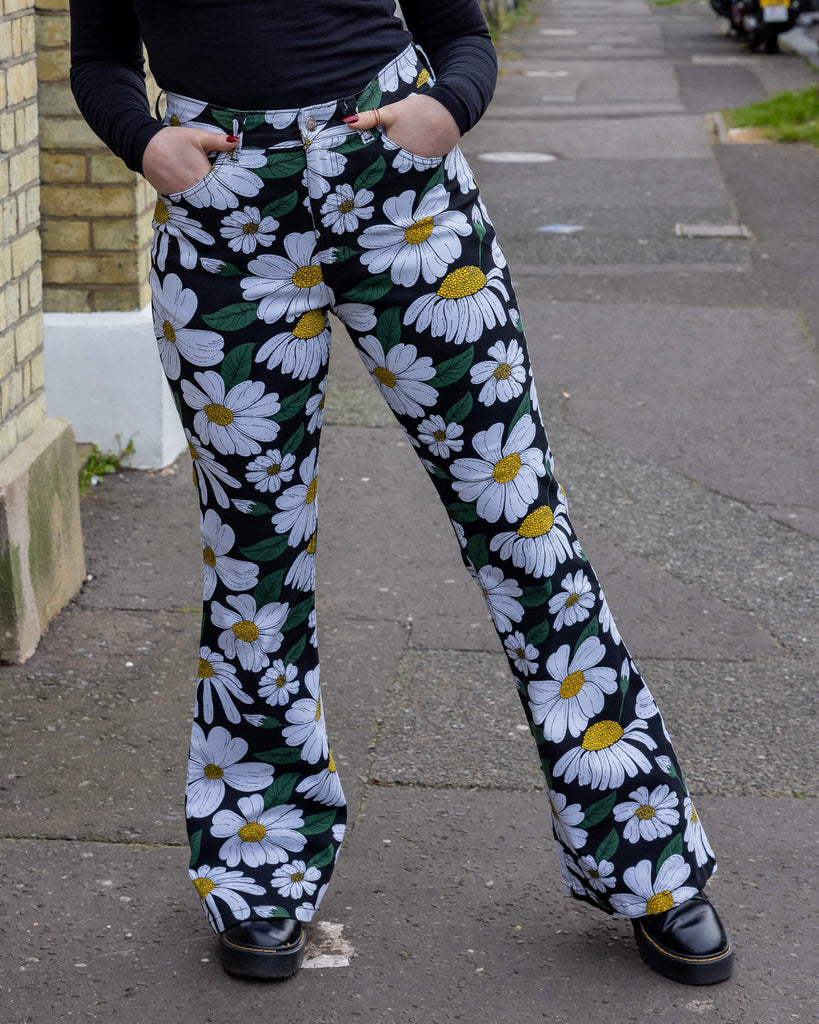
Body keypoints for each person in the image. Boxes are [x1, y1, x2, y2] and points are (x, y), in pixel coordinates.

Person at [68, 0, 733, 986]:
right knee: (254, 566)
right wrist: (144, 140)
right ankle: (263, 871)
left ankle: (648, 861)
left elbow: (462, 33)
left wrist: (451, 107)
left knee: (523, 528)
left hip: (402, 193)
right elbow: (100, 59)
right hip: (225, 213)